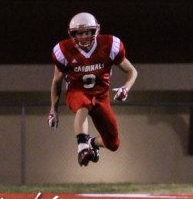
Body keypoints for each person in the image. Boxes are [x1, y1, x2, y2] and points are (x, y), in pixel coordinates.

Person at [48, 12, 138, 166]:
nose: (83, 37)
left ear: (95, 31)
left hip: (101, 96)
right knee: (84, 103)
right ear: (72, 34)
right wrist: (53, 109)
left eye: (87, 32)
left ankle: (91, 142)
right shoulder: (64, 50)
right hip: (77, 91)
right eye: (79, 33)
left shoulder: (109, 45)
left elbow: (132, 71)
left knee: (113, 143)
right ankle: (82, 146)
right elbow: (57, 81)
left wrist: (126, 88)